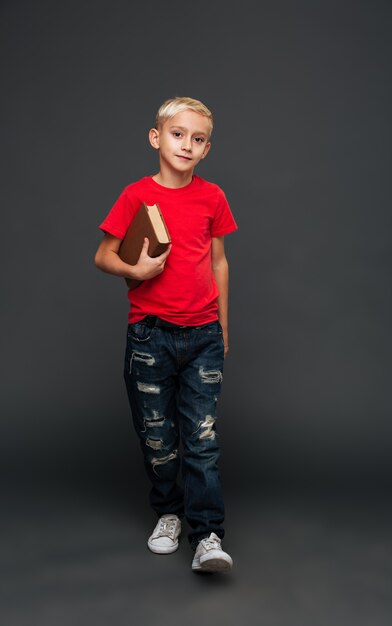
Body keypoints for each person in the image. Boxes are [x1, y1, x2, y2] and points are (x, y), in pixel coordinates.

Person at [95, 97, 237, 573]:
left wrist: (223, 324)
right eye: (178, 134)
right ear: (156, 138)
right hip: (150, 335)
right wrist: (134, 266)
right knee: (159, 438)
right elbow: (103, 255)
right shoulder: (136, 194)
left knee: (202, 438)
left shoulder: (212, 197)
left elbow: (218, 262)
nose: (187, 144)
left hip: (202, 335)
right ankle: (168, 514)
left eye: (198, 139)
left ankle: (208, 535)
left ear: (207, 149)